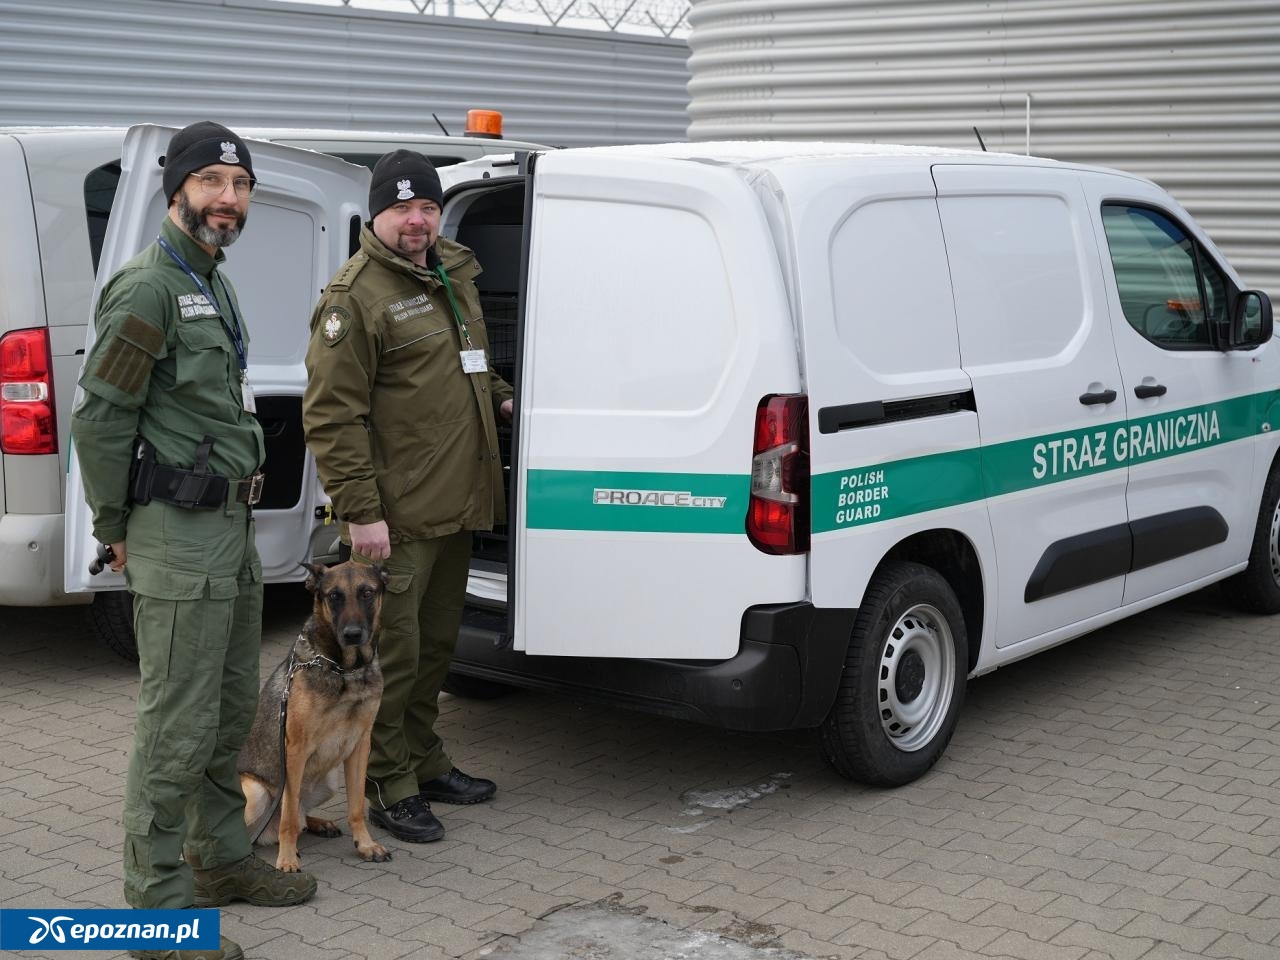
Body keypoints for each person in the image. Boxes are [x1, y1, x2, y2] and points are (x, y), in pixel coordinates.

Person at [71, 122, 316, 960]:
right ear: (175, 188)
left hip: (229, 531)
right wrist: (114, 529)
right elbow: (101, 420)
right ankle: (156, 917)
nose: (230, 200)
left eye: (240, 185)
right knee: (174, 732)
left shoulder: (209, 278)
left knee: (221, 719)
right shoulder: (148, 289)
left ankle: (218, 861)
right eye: (213, 181)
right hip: (176, 537)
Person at [302, 150, 511, 844]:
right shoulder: (355, 298)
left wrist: (506, 401)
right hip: (398, 518)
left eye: (425, 206)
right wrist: (362, 512)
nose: (416, 221)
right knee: (387, 658)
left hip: (457, 504)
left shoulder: (452, 274)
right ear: (376, 215)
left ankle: (424, 759)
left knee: (435, 649)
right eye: (401, 210)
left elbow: (467, 367)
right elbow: (332, 416)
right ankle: (389, 783)